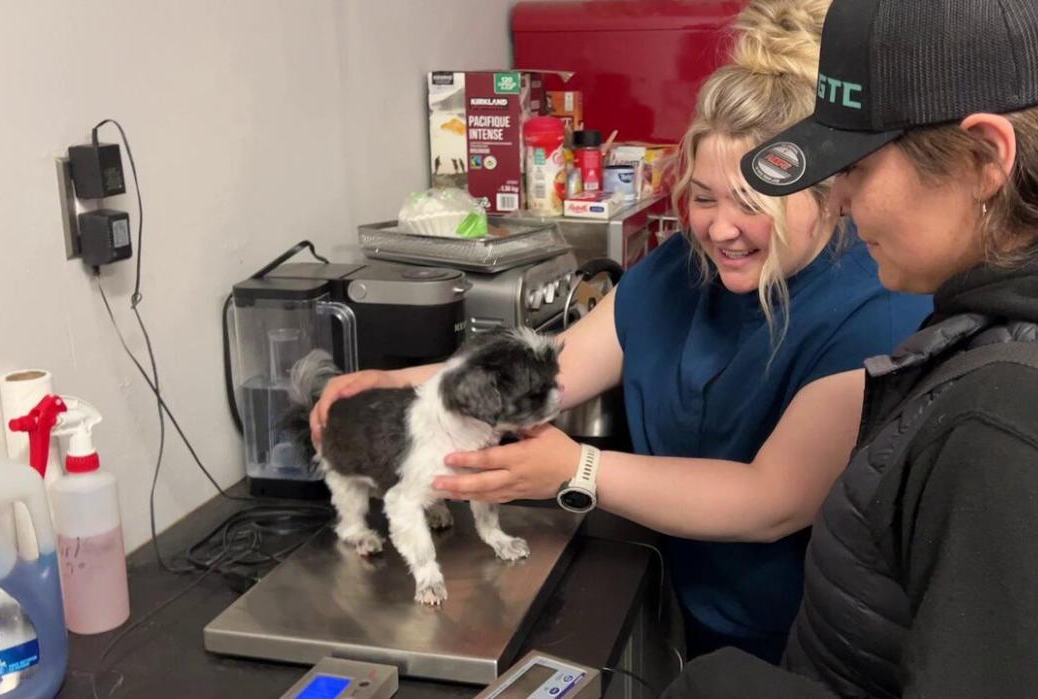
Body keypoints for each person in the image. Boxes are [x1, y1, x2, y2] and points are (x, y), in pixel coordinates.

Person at [311, 0, 932, 664]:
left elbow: (772, 499)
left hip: (809, 649)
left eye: (752, 204)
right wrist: (403, 383)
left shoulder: (877, 306)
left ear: (828, 191)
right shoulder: (683, 271)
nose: (721, 228)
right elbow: (558, 365)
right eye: (703, 197)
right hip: (694, 612)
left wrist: (574, 469)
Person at [662, 0, 1038, 696]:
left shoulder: (1020, 423)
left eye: (857, 166)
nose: (838, 203)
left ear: (985, 157)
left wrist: (721, 688)